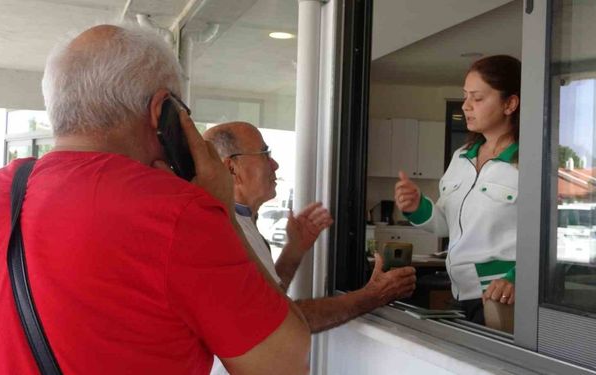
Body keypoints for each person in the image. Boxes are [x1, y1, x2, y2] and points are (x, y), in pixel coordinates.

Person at [0, 24, 310, 375]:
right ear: (163, 112)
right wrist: (221, 210)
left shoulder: (2, 189)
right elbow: (284, 363)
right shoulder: (177, 213)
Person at [203, 122, 417, 333]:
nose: (275, 164)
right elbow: (278, 317)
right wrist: (372, 295)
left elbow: (270, 298)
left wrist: (294, 250)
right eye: (265, 154)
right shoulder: (224, 232)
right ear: (232, 168)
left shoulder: (240, 223)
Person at [394, 55, 521, 324]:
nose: (465, 106)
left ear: (510, 103)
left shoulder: (528, 162)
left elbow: (551, 239)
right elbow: (445, 225)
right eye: (465, 97)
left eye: (477, 98)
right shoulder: (462, 156)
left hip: (501, 298)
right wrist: (417, 206)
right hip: (460, 293)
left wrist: (518, 278)